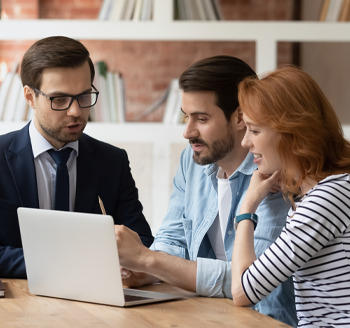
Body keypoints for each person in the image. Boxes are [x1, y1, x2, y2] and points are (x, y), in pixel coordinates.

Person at [115, 56, 297, 326]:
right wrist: (143, 271)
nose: (187, 132)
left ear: (239, 117)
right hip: (205, 314)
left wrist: (150, 260)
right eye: (186, 117)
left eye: (201, 118)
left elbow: (254, 281)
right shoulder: (192, 162)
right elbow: (173, 239)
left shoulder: (274, 172)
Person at [0, 36, 153, 278]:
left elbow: (141, 240)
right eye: (59, 99)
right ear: (30, 97)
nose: (76, 111)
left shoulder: (113, 162)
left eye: (83, 96)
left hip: (96, 303)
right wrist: (66, 264)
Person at [231, 66, 350, 327]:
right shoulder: (331, 190)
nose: (245, 142)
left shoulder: (325, 200)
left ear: (291, 132)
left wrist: (247, 206)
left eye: (255, 130)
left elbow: (243, 291)